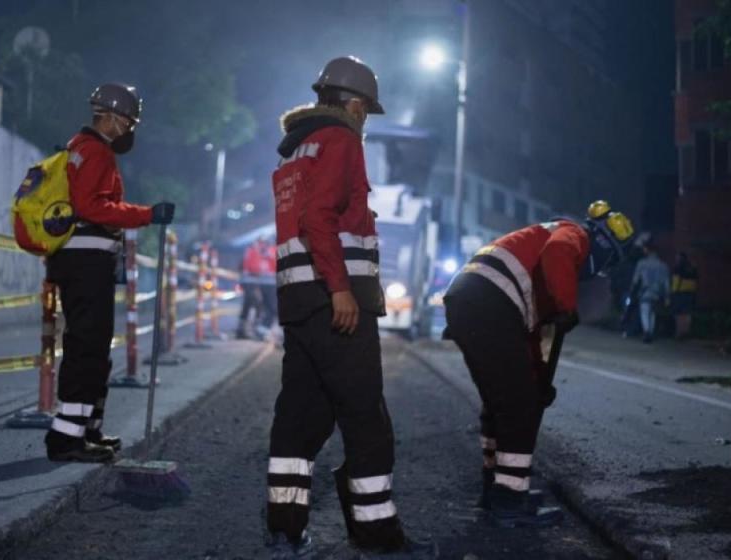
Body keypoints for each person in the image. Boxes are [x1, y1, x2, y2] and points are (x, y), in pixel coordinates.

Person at [265, 56, 425, 557]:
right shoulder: (341, 139)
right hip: (335, 297)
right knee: (365, 416)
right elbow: (320, 217)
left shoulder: (296, 151)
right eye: (365, 111)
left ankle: (285, 531)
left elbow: (303, 218)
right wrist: (340, 289)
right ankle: (377, 533)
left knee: (301, 415)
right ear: (354, 105)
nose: (365, 121)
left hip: (298, 300)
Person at [442, 201, 635, 527]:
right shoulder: (573, 234)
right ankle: (509, 501)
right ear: (603, 245)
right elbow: (558, 253)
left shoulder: (538, 254)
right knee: (519, 406)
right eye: (606, 265)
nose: (598, 273)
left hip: (472, 301)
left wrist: (538, 380)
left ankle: (496, 490)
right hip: (488, 303)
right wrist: (567, 306)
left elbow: (527, 335)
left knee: (503, 400)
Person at [44, 83, 175, 463]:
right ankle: (66, 439)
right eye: (129, 122)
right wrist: (147, 214)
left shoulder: (79, 149)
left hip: (82, 261)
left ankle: (86, 430)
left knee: (94, 348)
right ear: (112, 117)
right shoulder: (96, 151)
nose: (130, 129)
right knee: (87, 348)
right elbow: (92, 207)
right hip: (86, 262)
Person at [631, 241, 670, 344]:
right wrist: (667, 296)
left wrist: (633, 290)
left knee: (644, 312)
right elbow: (666, 283)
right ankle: (650, 333)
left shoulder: (642, 263)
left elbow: (635, 279)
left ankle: (647, 331)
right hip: (657, 293)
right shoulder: (663, 266)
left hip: (644, 291)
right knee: (653, 313)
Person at [236, 238, 267, 339]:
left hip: (250, 282)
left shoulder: (253, 252)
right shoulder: (253, 252)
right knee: (255, 303)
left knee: (249, 305)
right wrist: (262, 272)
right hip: (249, 282)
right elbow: (253, 268)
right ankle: (249, 329)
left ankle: (243, 329)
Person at [671, 252, 698, 339]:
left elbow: (676, 281)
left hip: (679, 292)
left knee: (678, 313)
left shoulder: (678, 267)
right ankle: (686, 332)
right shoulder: (692, 268)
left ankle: (679, 332)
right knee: (687, 313)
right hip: (690, 293)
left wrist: (673, 292)